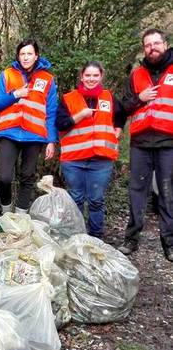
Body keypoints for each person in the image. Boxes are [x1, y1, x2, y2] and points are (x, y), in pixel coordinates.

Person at [118, 29, 173, 260]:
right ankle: (131, 239)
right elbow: (124, 107)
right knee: (137, 192)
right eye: (148, 45)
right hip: (140, 142)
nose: (153, 48)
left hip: (168, 142)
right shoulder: (136, 75)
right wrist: (139, 99)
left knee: (168, 193)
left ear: (165, 44)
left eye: (156, 43)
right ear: (144, 49)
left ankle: (169, 243)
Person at [56, 61, 126, 238]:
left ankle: (96, 239)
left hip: (101, 160)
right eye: (88, 75)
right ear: (81, 77)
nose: (91, 79)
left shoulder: (109, 97)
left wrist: (118, 128)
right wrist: (80, 115)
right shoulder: (68, 98)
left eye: (95, 75)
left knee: (96, 201)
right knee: (76, 199)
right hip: (74, 159)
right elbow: (60, 124)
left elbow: (121, 115)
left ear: (101, 76)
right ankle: (76, 237)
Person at [0, 39, 58, 213]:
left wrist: (51, 140)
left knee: (27, 177)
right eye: (22, 54)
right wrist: (15, 94)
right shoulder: (7, 75)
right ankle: (6, 213)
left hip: (34, 134)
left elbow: (51, 112)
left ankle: (20, 217)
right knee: (4, 177)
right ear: (18, 56)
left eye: (29, 54)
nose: (26, 57)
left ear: (36, 56)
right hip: (8, 132)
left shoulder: (48, 79)